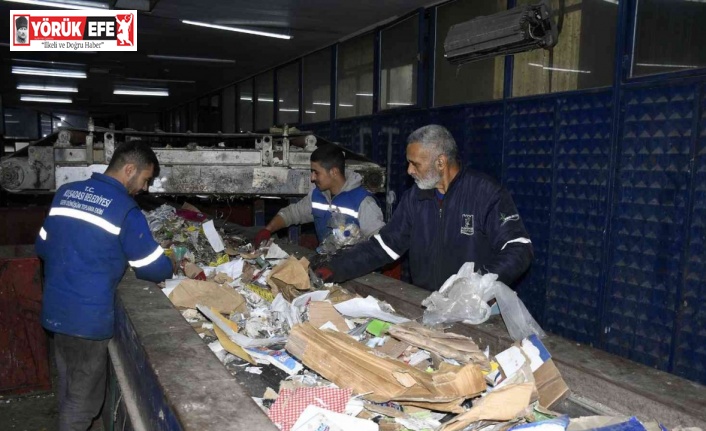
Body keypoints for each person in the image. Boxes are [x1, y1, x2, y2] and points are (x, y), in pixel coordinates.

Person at [35, 141, 173, 431]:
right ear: (130, 169)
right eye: (146, 179)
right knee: (84, 403)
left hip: (56, 310)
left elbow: (43, 246)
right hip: (88, 320)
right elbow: (153, 267)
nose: (145, 188)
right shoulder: (126, 210)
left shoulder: (65, 193)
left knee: (69, 386)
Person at [314, 125, 533, 291]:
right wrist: (335, 268)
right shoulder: (414, 199)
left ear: (440, 162)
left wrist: (478, 286)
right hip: (428, 303)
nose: (409, 170)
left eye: (415, 163)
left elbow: (519, 248)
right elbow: (384, 246)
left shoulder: (485, 193)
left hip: (476, 308)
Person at [253, 144, 385, 248]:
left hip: (358, 273)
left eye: (316, 172)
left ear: (334, 172)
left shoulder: (363, 202)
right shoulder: (318, 195)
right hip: (327, 263)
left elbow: (380, 245)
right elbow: (292, 214)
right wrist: (268, 230)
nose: (312, 178)